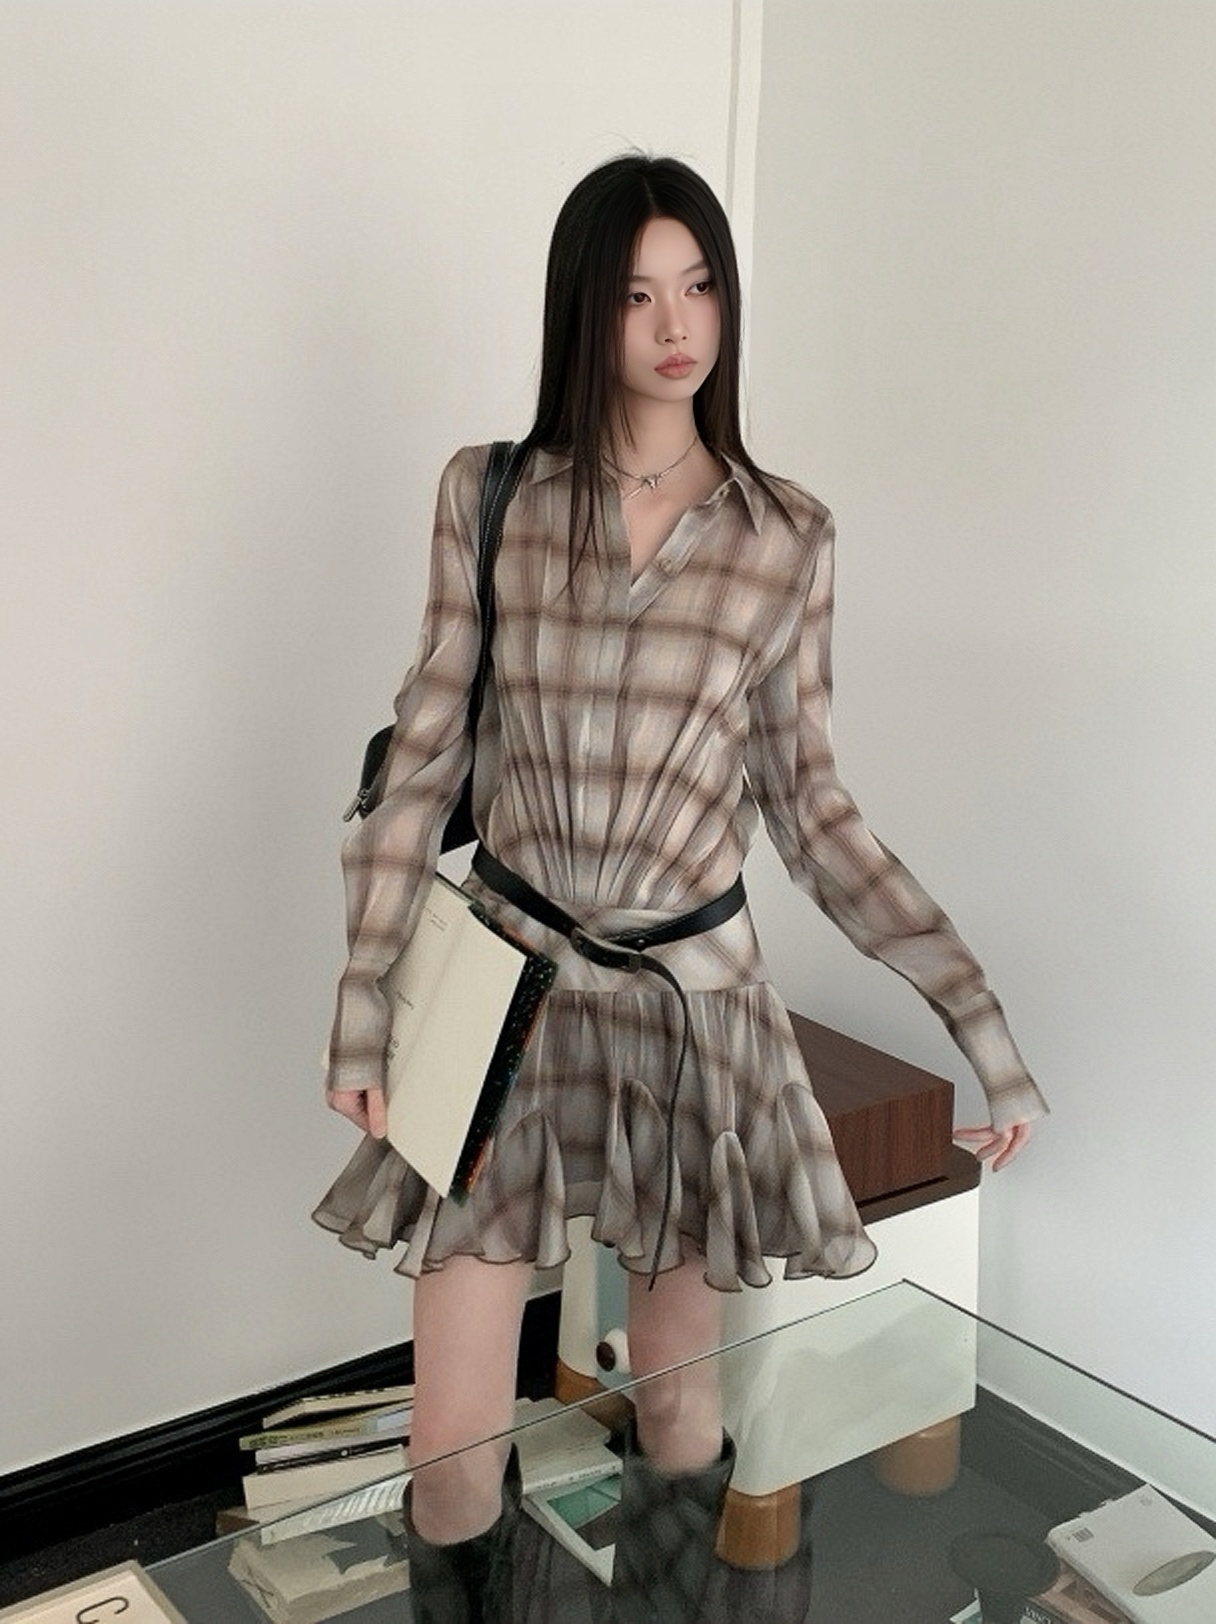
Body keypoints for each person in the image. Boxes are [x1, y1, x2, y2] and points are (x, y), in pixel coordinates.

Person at [313, 153, 1048, 1623]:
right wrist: (362, 1006)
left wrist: (978, 1020)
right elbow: (423, 760)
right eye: (638, 291)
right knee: (451, 1445)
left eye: (700, 285)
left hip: (690, 1012)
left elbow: (812, 810)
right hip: (510, 993)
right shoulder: (493, 494)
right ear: (585, 310)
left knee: (679, 1405)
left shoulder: (786, 535)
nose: (674, 324)